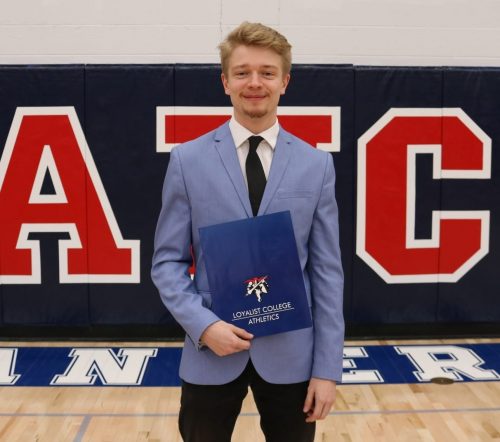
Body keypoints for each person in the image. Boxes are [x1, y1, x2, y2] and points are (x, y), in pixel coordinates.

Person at [151, 21, 344, 442]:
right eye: (242, 72)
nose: (254, 83)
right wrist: (203, 327)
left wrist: (327, 370)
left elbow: (327, 274)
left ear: (285, 81)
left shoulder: (316, 165)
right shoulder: (188, 160)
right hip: (212, 349)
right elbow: (167, 262)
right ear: (225, 82)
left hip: (293, 355)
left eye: (267, 72)